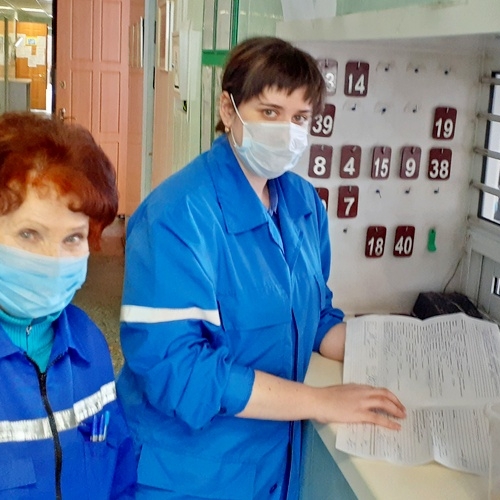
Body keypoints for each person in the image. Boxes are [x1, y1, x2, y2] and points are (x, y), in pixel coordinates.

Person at [117, 36, 406, 499]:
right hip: (190, 471)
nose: (287, 131)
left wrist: (395, 351)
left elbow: (314, 318)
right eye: (270, 112)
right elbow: (177, 369)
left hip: (272, 462)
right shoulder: (176, 216)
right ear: (228, 109)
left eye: (300, 118)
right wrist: (319, 401)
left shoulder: (303, 204)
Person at [0, 111, 136, 499]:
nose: (54, 261)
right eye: (29, 234)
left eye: (73, 238)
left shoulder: (88, 342)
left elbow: (119, 473)